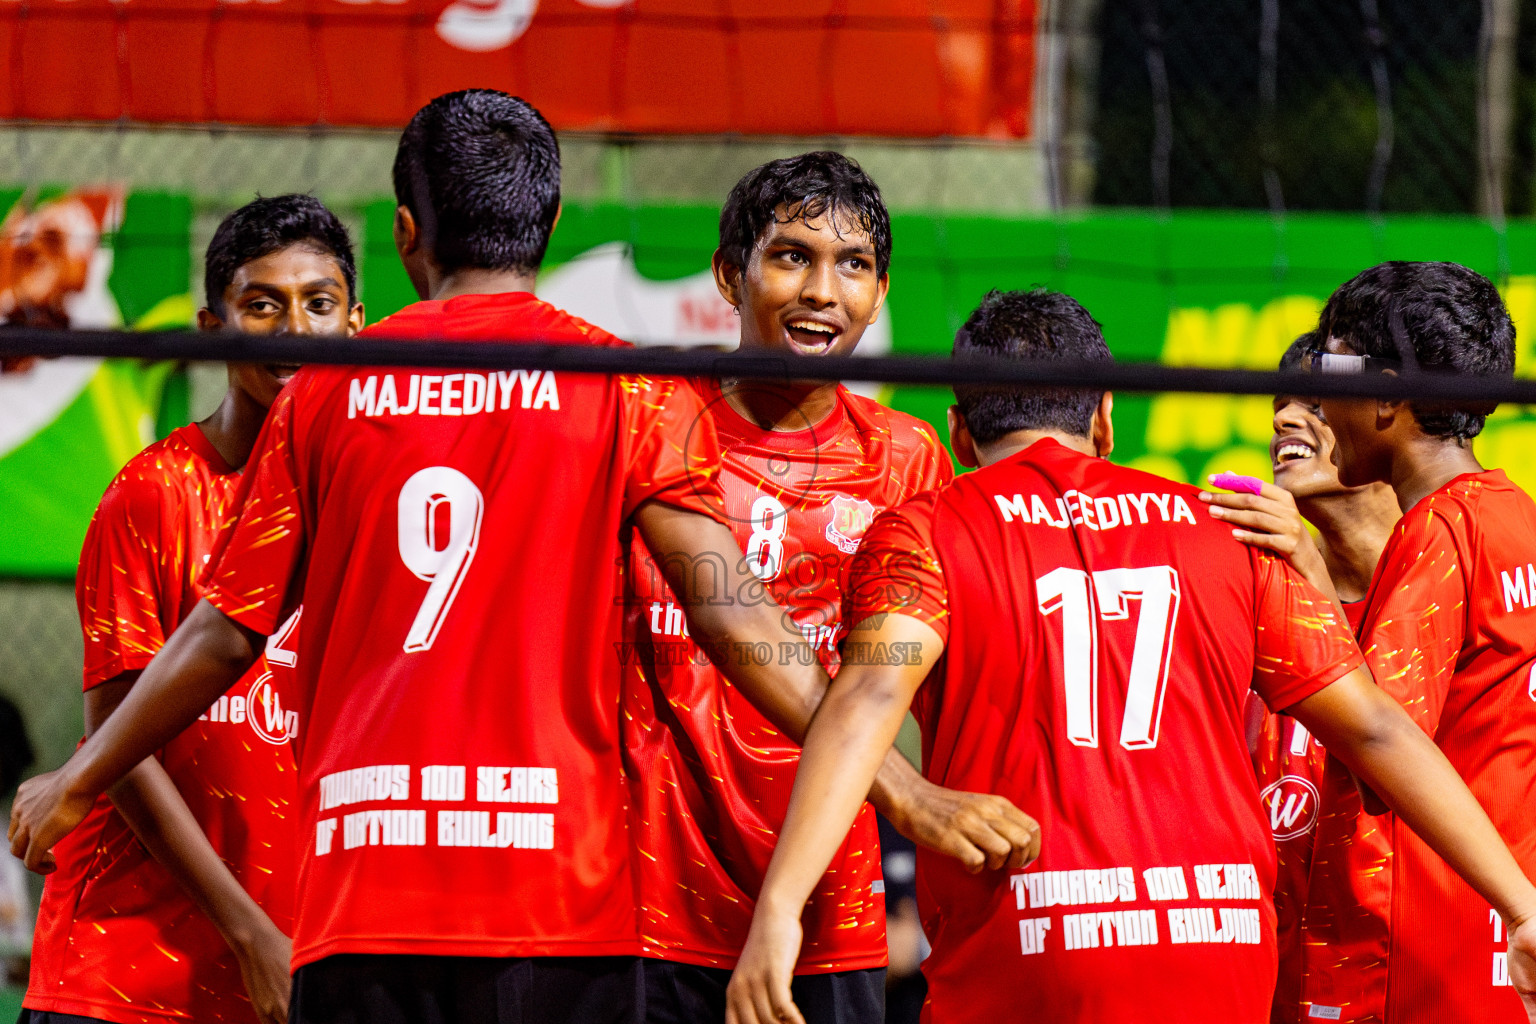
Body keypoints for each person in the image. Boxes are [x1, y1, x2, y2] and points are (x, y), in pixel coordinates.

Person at [8, 91, 1023, 1024]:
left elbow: (224, 635)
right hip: (564, 905)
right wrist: (907, 788)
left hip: (365, 895)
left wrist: (82, 774)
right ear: (548, 223)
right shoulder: (626, 390)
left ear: (406, 233)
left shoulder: (324, 394)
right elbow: (730, 609)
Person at [721, 288, 1536, 1024]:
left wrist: (780, 907)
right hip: (1221, 951)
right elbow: (1379, 730)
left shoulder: (929, 527)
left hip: (1036, 946)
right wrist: (1522, 906)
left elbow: (861, 702)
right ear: (1105, 418)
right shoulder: (1225, 526)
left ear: (960, 432)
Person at [627, 153, 1031, 1024]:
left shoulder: (909, 457)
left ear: (880, 293)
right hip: (647, 905)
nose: (823, 290)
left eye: (851, 265)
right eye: (792, 257)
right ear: (729, 275)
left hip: (831, 912)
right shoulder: (647, 417)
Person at [19, 193, 364, 1024]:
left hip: (297, 965)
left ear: (358, 322)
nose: (291, 329)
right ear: (213, 328)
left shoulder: (377, 505)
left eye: (317, 303)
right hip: (125, 975)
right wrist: (248, 933)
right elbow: (118, 745)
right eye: (261, 305)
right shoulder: (151, 495)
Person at [1293, 261, 1536, 1023]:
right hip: (1497, 939)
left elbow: (1379, 735)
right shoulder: (1518, 517)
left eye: (1331, 367)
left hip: (1426, 949)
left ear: (1390, 394)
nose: (1317, 400)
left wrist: (1299, 586)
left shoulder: (1440, 530)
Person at [1197, 333, 1401, 1023]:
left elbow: (1401, 747)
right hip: (1264, 992)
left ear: (1388, 420)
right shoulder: (1248, 597)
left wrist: (1311, 583)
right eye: (1280, 406)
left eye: (1314, 403)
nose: (1285, 420)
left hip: (1421, 983)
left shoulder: (1463, 577)